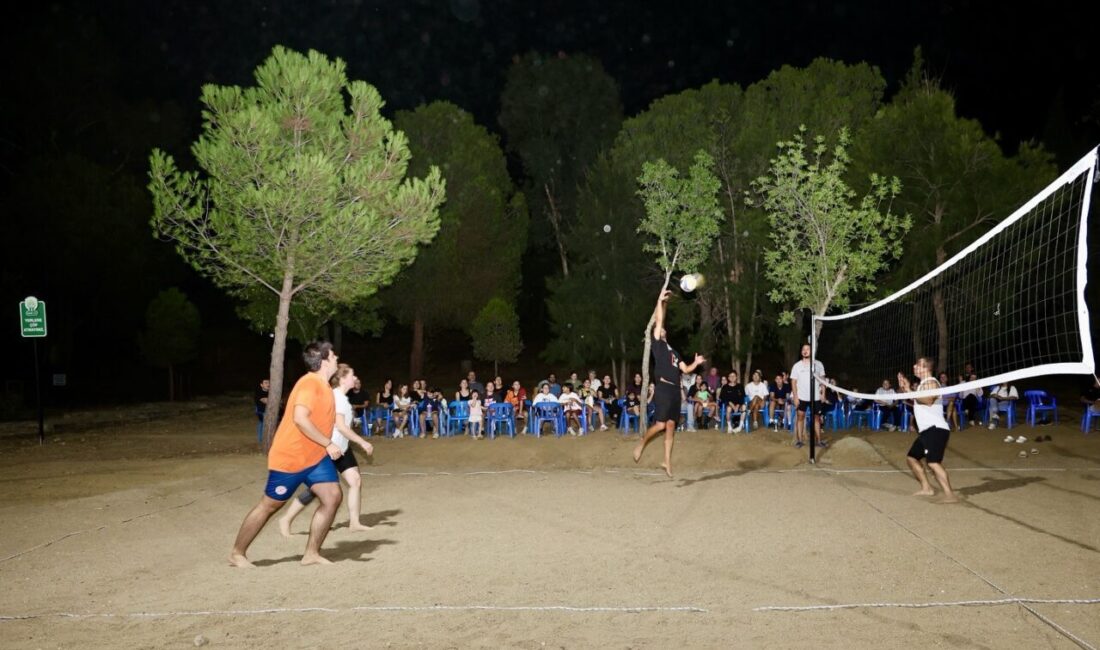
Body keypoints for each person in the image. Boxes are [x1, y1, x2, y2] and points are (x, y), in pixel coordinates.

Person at [229, 341, 343, 567]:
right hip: (291, 458)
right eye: (333, 355)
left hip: (315, 458)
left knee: (332, 496)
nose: (337, 357)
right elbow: (301, 419)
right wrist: (328, 443)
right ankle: (237, 553)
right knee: (269, 505)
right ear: (324, 360)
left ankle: (311, 553)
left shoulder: (324, 386)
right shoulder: (310, 384)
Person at [279, 363, 375, 538]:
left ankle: (354, 523)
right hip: (327, 449)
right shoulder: (336, 397)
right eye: (352, 375)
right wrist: (363, 442)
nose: (355, 378)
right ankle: (286, 519)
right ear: (343, 379)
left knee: (355, 480)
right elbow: (341, 426)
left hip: (342, 448)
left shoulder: (344, 398)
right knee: (317, 490)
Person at [633, 289, 705, 477]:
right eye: (660, 328)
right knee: (661, 425)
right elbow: (659, 319)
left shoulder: (673, 351)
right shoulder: (657, 344)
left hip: (674, 391)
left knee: (671, 425)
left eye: (663, 329)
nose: (662, 329)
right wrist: (660, 300)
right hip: (663, 388)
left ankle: (666, 461)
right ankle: (642, 442)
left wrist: (695, 364)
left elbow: (685, 370)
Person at [897, 358, 959, 504]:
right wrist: (906, 389)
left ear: (926, 368)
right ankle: (927, 488)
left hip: (936, 429)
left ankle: (950, 495)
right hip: (926, 431)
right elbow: (920, 402)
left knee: (933, 462)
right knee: (911, 458)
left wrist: (909, 390)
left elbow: (928, 400)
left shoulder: (931, 382)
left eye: (918, 364)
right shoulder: (921, 386)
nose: (914, 366)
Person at [790, 343, 824, 448]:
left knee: (817, 418)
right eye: (803, 349)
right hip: (802, 397)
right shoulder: (797, 366)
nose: (805, 351)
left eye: (807, 349)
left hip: (816, 397)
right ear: (801, 352)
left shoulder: (818, 364)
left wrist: (823, 394)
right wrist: (795, 397)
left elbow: (823, 380)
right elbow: (793, 382)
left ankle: (818, 441)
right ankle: (799, 441)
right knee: (800, 417)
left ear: (811, 351)